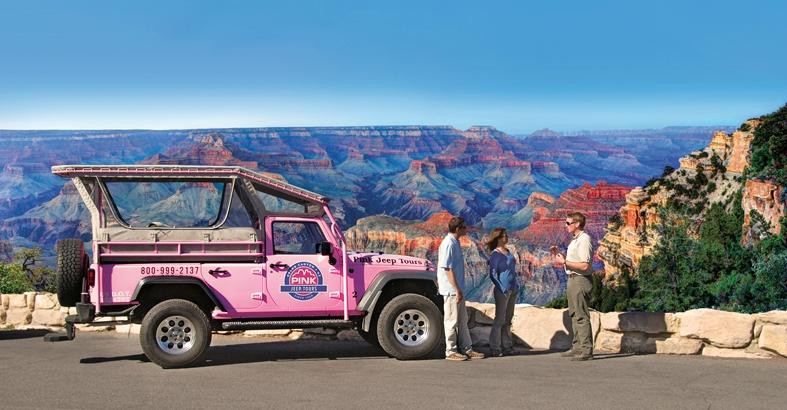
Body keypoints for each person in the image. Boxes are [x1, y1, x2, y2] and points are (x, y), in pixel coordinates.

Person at [437, 216, 485, 361]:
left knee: (462, 320)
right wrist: (456, 289)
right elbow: (447, 268)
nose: (467, 229)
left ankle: (467, 349)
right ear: (458, 229)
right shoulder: (448, 244)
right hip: (452, 290)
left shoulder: (455, 242)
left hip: (457, 289)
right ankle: (450, 351)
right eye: (464, 227)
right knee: (451, 321)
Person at [550, 212, 594, 361]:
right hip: (572, 279)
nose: (565, 225)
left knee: (581, 315)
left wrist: (565, 263)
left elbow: (584, 265)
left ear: (577, 224)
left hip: (580, 280)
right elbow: (573, 262)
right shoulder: (575, 240)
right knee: (574, 314)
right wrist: (560, 256)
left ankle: (586, 350)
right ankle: (577, 347)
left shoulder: (584, 239)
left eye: (568, 223)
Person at [486, 227, 519, 357]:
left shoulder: (508, 251)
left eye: (506, 235)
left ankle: (507, 346)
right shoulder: (495, 254)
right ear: (498, 238)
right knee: (499, 320)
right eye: (504, 236)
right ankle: (495, 348)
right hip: (502, 291)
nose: (507, 237)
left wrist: (515, 286)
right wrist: (501, 287)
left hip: (513, 288)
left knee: (508, 319)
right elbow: (492, 274)